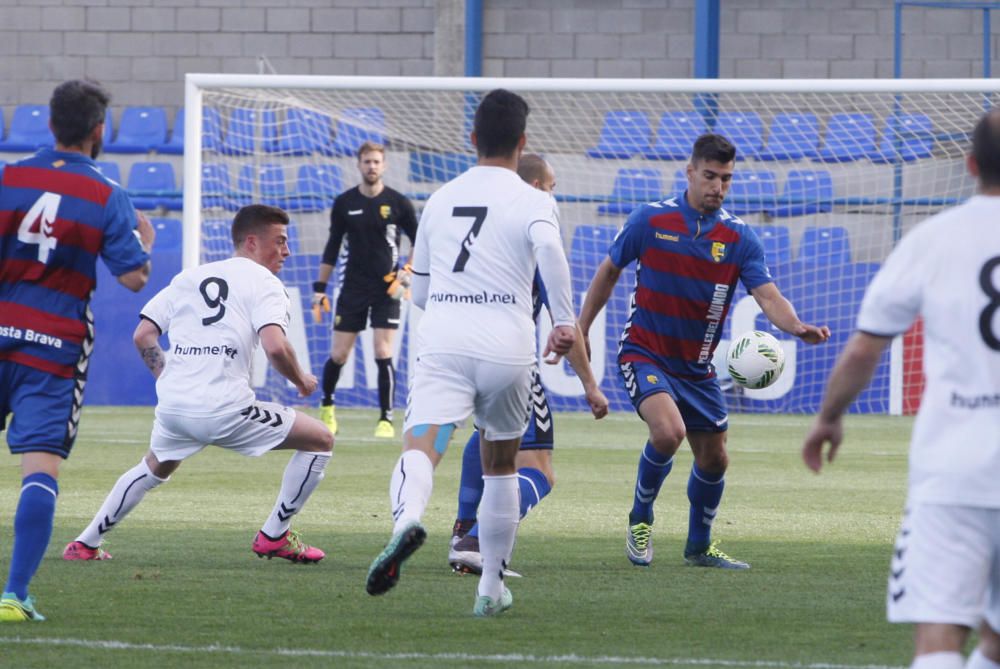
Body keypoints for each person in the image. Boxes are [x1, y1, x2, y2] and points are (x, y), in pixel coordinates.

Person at [364, 89, 576, 617]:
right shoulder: (534, 199)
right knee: (502, 466)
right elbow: (549, 250)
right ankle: (490, 591)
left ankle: (406, 521)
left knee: (420, 446)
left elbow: (422, 292)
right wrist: (566, 321)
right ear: (522, 142)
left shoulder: (440, 198)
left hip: (445, 338)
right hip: (508, 344)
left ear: (473, 138)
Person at [802, 110, 1000, 669]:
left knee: (939, 643)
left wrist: (828, 417)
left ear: (968, 165)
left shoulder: (933, 239)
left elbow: (866, 348)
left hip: (952, 471)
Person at [578, 133, 830, 571]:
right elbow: (609, 271)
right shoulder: (649, 221)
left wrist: (795, 326)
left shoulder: (738, 237)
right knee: (667, 433)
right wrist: (580, 328)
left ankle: (699, 547)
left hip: (696, 368)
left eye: (726, 179)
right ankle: (641, 517)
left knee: (715, 458)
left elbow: (768, 295)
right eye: (710, 176)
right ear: (690, 172)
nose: (718, 186)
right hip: (645, 351)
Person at [62, 204, 334, 570]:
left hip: (175, 406)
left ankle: (85, 542)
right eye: (280, 241)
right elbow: (275, 346)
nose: (286, 251)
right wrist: (301, 379)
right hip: (225, 408)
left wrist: (169, 378)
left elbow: (143, 334)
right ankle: (274, 535)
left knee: (155, 466)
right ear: (252, 242)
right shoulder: (265, 283)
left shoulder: (190, 277)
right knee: (321, 439)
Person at [0, 79, 156, 623]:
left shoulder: (8, 178)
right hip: (54, 348)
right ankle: (13, 595)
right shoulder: (106, 194)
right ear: (97, 133)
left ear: (48, 125)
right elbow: (134, 277)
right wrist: (147, 242)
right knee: (39, 468)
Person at [448, 153, 609, 575]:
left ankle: (464, 526)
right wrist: (590, 384)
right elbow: (566, 320)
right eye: (552, 187)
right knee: (539, 469)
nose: (553, 196)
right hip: (506, 355)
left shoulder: (475, 222)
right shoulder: (533, 230)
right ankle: (477, 539)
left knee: (488, 432)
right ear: (536, 188)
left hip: (456, 349)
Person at [311, 141, 418, 439]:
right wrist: (320, 288)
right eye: (367, 162)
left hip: (387, 289)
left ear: (384, 166)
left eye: (376, 162)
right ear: (359, 165)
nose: (372, 166)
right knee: (339, 354)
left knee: (383, 351)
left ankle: (385, 419)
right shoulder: (345, 203)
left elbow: (421, 240)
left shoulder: (398, 203)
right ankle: (327, 406)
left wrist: (407, 272)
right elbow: (332, 247)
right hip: (352, 289)